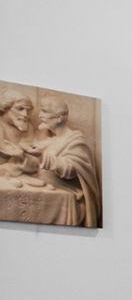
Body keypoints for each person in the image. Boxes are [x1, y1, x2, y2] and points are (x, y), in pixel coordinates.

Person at [24, 92, 101, 227]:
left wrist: (43, 157)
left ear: (59, 117)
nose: (39, 115)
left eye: (44, 111)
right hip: (49, 193)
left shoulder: (75, 140)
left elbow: (71, 169)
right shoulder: (51, 140)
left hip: (67, 201)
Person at [0, 90, 32, 175]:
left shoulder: (27, 126)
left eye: (28, 110)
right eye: (20, 109)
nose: (25, 114)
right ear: (5, 108)